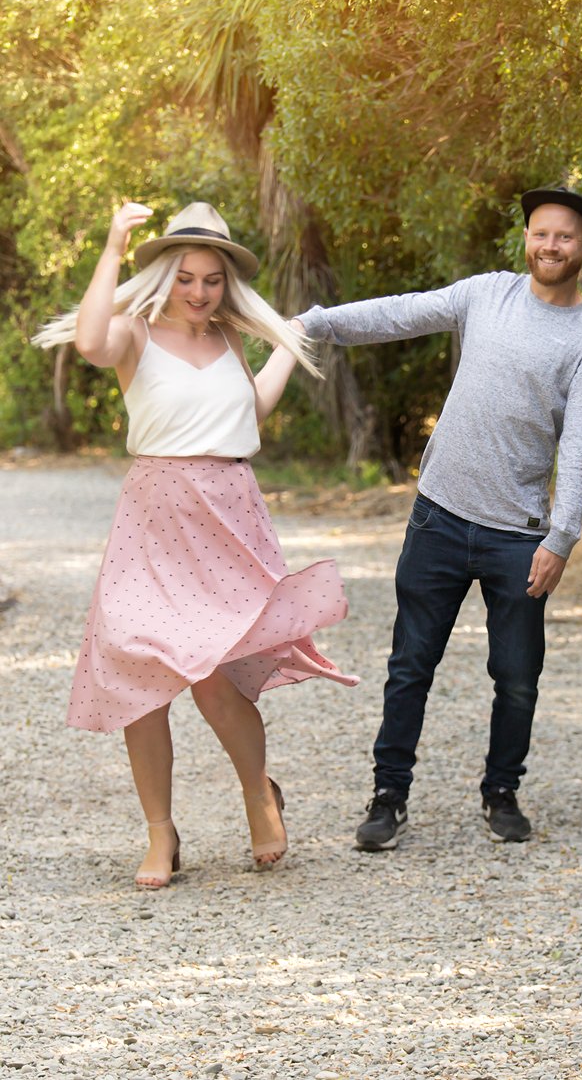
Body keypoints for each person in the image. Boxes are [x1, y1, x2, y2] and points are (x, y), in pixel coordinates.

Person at [33, 201, 358, 887]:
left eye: (212, 279)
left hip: (226, 517)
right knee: (141, 681)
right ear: (162, 273)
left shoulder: (231, 339)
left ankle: (257, 794)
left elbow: (247, 416)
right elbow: (89, 342)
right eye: (186, 277)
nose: (199, 291)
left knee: (212, 682)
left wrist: (286, 351)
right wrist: (115, 240)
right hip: (151, 521)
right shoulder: (132, 333)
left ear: (226, 283)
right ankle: (160, 832)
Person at [294, 186, 582, 850]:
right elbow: (399, 314)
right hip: (437, 517)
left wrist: (561, 537)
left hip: (518, 539)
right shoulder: (486, 293)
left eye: (563, 236)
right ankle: (388, 796)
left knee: (517, 677)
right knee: (410, 662)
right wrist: (316, 322)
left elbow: (577, 447)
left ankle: (501, 792)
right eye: (539, 233)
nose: (549, 245)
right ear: (525, 237)